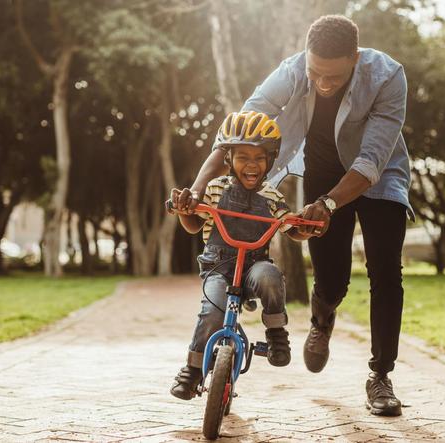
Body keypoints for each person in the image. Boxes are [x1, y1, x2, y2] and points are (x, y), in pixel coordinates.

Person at [176, 15, 413, 416]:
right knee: (332, 280)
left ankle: (380, 376)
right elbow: (238, 131)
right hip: (323, 173)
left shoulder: (387, 77)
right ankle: (322, 318)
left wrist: (330, 204)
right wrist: (198, 187)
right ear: (306, 56)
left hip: (380, 175)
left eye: (334, 76)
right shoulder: (291, 71)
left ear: (355, 58)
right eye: (315, 73)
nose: (323, 83)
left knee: (386, 271)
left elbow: (371, 160)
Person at [169, 111, 313, 401]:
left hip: (253, 267)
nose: (251, 164)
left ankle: (276, 333)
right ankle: (193, 369)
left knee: (270, 276)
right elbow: (194, 224)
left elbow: (290, 227)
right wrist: (185, 210)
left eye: (259, 158)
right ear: (229, 159)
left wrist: (305, 227)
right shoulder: (214, 188)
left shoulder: (272, 196)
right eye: (243, 157)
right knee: (212, 311)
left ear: (270, 160)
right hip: (218, 267)